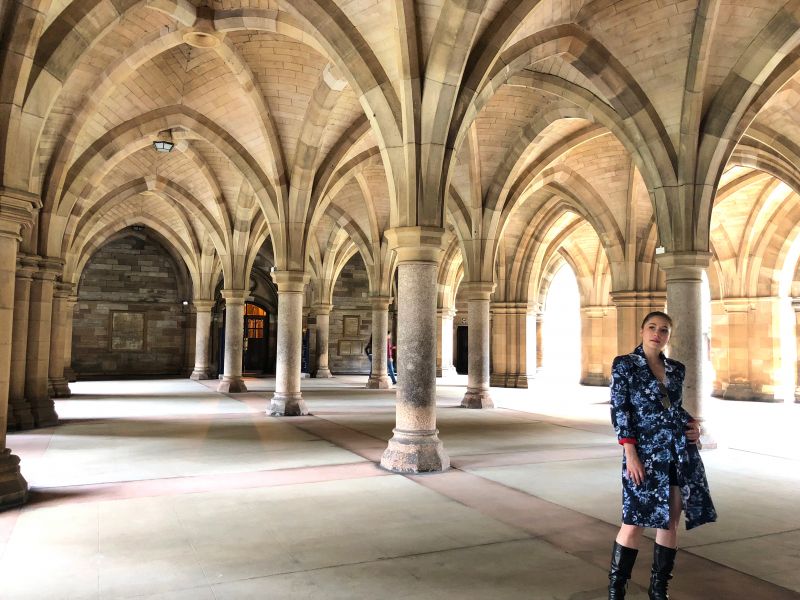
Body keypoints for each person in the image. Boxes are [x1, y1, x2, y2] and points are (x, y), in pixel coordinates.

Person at [607, 311, 716, 600]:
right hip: (644, 454)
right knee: (633, 521)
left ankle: (659, 591)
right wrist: (630, 453)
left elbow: (673, 408)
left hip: (676, 452)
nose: (658, 333)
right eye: (652, 327)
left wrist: (693, 426)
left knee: (670, 521)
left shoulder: (676, 369)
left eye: (664, 329)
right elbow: (620, 410)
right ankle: (616, 591)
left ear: (669, 335)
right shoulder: (625, 365)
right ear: (642, 331)